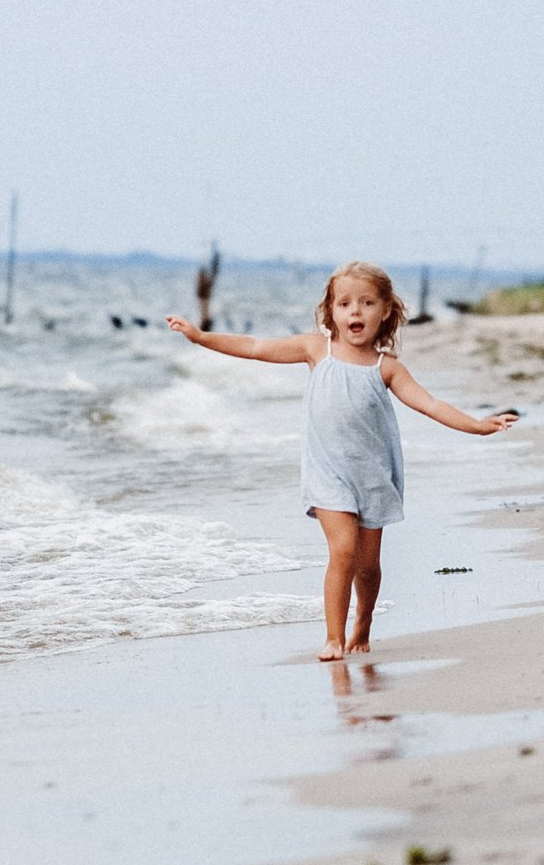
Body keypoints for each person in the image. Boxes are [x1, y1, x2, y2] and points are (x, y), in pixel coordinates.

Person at [165, 262, 517, 662]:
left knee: (368, 567)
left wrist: (477, 425)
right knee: (343, 551)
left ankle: (363, 622)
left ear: (385, 311)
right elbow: (255, 347)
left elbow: (430, 404)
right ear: (330, 311)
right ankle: (333, 637)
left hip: (373, 477)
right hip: (327, 475)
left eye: (367, 303)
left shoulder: (386, 368)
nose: (355, 311)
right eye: (345, 303)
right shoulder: (317, 349)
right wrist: (199, 336)